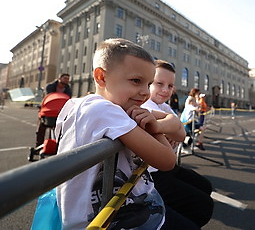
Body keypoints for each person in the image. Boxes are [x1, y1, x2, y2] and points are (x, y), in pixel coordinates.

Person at [55, 38, 198, 229]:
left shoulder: (81, 105)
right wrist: (153, 126)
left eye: (148, 84)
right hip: (113, 221)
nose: (145, 93)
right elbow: (167, 161)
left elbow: (175, 128)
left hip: (124, 212)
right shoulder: (103, 109)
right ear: (101, 77)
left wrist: (152, 122)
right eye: (136, 81)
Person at [142, 60, 214, 227]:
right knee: (202, 207)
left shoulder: (164, 106)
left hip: (166, 168)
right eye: (159, 84)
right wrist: (169, 129)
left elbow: (179, 132)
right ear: (148, 82)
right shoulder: (146, 104)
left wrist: (171, 129)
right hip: (151, 175)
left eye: (170, 85)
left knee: (205, 186)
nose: (166, 90)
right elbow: (169, 128)